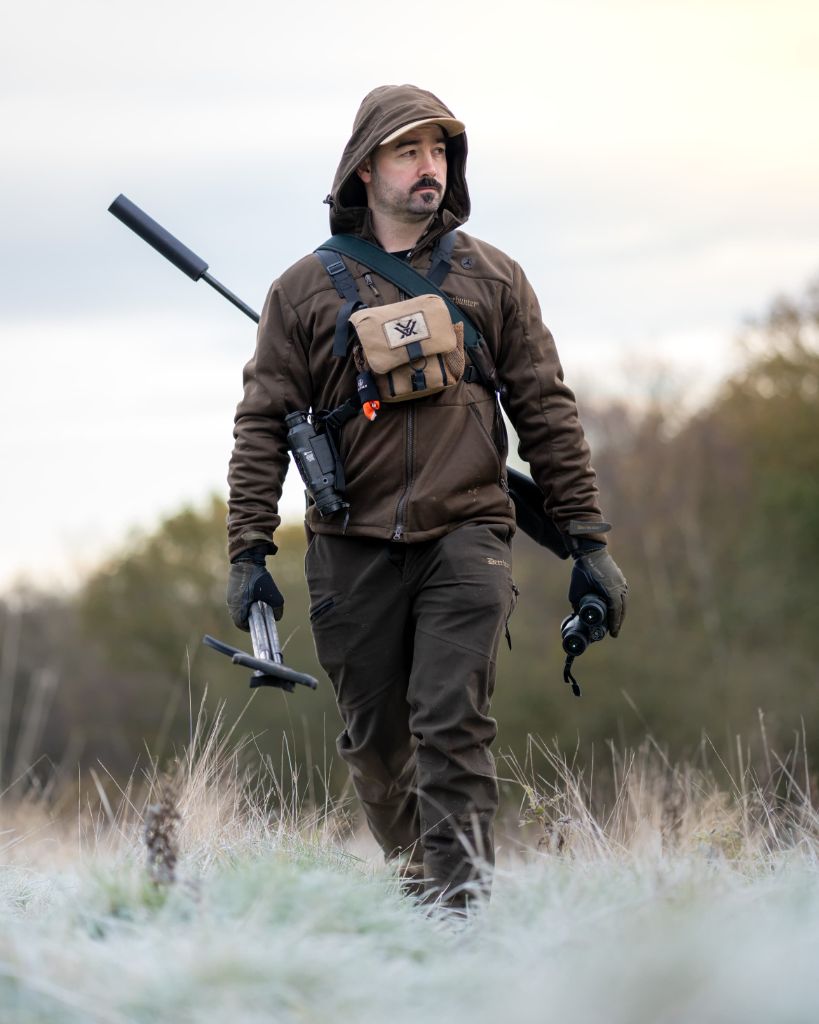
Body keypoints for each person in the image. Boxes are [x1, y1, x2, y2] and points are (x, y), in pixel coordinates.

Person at [226, 84, 627, 911]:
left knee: (451, 725)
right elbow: (261, 426)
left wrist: (589, 544)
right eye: (408, 151)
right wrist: (248, 553)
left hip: (469, 532)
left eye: (440, 151)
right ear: (365, 167)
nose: (428, 168)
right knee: (376, 748)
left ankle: (462, 916)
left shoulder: (495, 279)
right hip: (349, 543)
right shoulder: (301, 292)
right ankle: (420, 884)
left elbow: (547, 411)